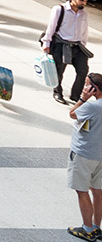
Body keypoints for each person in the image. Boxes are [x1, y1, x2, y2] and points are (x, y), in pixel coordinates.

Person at [45, 0, 93, 105]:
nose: (83, 3)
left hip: (78, 46)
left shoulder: (83, 14)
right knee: (59, 70)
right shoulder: (59, 9)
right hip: (62, 44)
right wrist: (46, 42)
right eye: (81, 0)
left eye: (85, 1)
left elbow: (84, 30)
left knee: (83, 70)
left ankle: (75, 95)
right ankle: (57, 92)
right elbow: (51, 27)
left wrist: (83, 43)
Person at [68, 74, 102, 240]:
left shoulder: (92, 107)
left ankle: (87, 229)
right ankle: (96, 226)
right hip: (100, 155)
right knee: (98, 191)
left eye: (87, 85)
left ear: (94, 89)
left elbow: (73, 113)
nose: (84, 88)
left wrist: (83, 98)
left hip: (84, 154)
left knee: (82, 191)